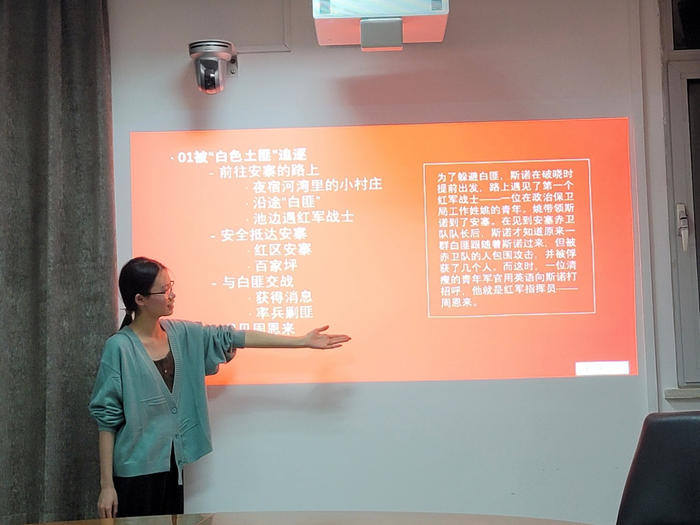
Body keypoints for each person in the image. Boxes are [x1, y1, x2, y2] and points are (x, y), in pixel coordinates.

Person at [89, 257, 350, 518]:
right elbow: (107, 421)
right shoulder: (119, 348)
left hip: (173, 469)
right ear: (140, 299)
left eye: (171, 286)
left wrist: (301, 341)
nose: (172, 295)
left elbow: (234, 337)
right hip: (133, 475)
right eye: (164, 290)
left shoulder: (183, 334)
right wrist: (106, 486)